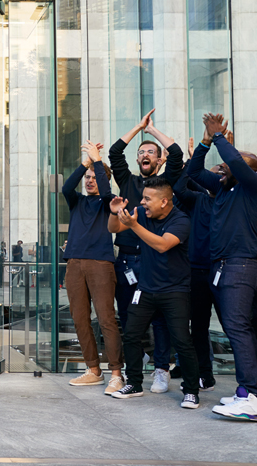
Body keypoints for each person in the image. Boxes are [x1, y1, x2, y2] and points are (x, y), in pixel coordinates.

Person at [107, 176, 201, 409]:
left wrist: (134, 225)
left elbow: (162, 244)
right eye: (143, 198)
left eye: (148, 199)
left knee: (182, 341)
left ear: (164, 202)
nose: (142, 202)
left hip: (175, 290)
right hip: (146, 289)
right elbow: (114, 228)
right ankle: (135, 384)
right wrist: (114, 212)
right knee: (130, 335)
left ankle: (191, 391)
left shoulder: (181, 220)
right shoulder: (142, 212)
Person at [187, 114, 257, 420]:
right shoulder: (224, 187)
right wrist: (205, 141)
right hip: (224, 265)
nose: (226, 165)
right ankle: (245, 392)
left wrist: (220, 138)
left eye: (236, 162)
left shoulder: (251, 186)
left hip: (240, 265)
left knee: (238, 328)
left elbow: (238, 163)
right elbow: (192, 171)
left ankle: (252, 395)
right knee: (239, 328)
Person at [108, 109, 183, 393]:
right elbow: (116, 152)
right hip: (126, 261)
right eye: (141, 152)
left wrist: (152, 131)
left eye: (150, 152)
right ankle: (134, 369)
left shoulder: (165, 186)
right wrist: (138, 127)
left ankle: (162, 369)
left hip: (155, 259)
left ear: (158, 159)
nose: (145, 155)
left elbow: (176, 155)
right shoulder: (127, 181)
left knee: (161, 318)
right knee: (128, 317)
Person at [61, 141, 124, 395]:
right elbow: (66, 186)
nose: (88, 181)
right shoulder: (76, 201)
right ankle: (93, 370)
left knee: (106, 318)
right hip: (74, 263)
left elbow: (109, 193)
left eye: (93, 178)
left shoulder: (107, 202)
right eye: (86, 178)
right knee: (79, 318)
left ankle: (117, 374)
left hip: (100, 263)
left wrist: (98, 162)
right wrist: (85, 163)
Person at [165, 136, 222, 392]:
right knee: (198, 326)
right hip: (198, 272)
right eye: (213, 173)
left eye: (221, 173)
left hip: (225, 271)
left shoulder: (233, 201)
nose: (216, 176)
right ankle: (205, 376)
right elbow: (178, 185)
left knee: (235, 325)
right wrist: (193, 159)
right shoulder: (198, 199)